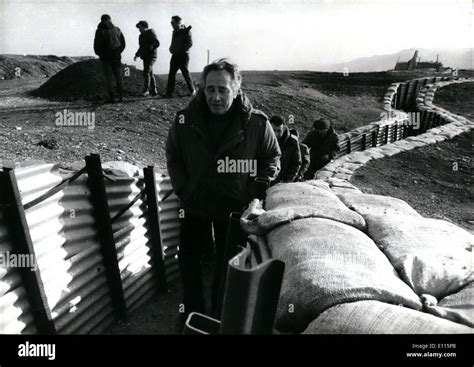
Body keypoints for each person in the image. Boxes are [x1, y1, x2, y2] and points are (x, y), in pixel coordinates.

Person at [166, 59, 281, 319]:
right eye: (210, 89)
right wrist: (183, 187)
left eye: (223, 90)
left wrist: (257, 188)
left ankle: (218, 317)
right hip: (194, 203)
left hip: (232, 206)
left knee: (227, 266)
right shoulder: (185, 120)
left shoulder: (256, 124)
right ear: (202, 89)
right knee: (189, 261)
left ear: (237, 89)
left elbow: (272, 157)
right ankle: (191, 314)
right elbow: (173, 153)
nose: (216, 97)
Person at [93, 14, 126, 103]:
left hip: (106, 57)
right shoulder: (117, 29)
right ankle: (121, 96)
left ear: (102, 20)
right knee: (118, 76)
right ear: (110, 20)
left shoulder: (100, 30)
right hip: (116, 56)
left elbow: (97, 45)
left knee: (109, 77)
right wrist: (118, 52)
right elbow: (123, 44)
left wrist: (100, 55)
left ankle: (111, 98)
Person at [163, 15, 196, 98]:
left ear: (178, 23)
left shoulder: (186, 31)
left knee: (185, 73)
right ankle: (169, 93)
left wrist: (180, 49)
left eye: (173, 22)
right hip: (175, 55)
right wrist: (171, 48)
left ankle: (192, 90)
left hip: (183, 55)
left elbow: (190, 43)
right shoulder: (175, 31)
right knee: (171, 74)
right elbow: (174, 43)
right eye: (171, 22)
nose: (171, 24)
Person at [270, 115, 301, 184]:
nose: (275, 134)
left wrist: (287, 180)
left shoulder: (292, 142)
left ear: (284, 129)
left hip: (280, 182)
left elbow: (296, 163)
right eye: (273, 130)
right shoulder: (263, 138)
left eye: (279, 131)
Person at [134, 20, 160, 97]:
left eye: (140, 27)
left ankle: (146, 90)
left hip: (151, 56)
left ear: (144, 27)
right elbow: (141, 47)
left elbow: (156, 43)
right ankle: (154, 90)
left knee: (146, 72)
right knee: (150, 73)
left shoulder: (150, 32)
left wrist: (149, 49)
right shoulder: (141, 36)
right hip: (145, 56)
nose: (139, 29)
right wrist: (137, 55)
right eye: (138, 28)